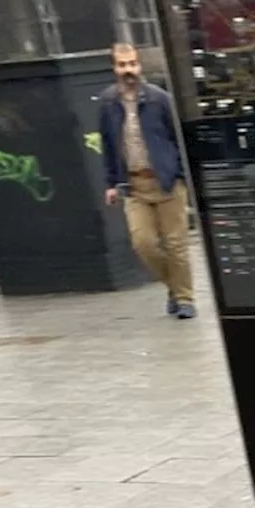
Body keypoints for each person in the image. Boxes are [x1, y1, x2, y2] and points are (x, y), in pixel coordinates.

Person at [98, 43, 196, 319]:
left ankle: (185, 299)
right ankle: (175, 287)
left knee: (176, 245)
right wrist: (110, 183)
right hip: (134, 185)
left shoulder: (159, 99)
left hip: (166, 182)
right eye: (122, 65)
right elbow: (108, 145)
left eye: (132, 64)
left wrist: (182, 175)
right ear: (114, 67)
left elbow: (179, 139)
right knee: (143, 244)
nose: (128, 70)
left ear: (140, 66)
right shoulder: (108, 102)